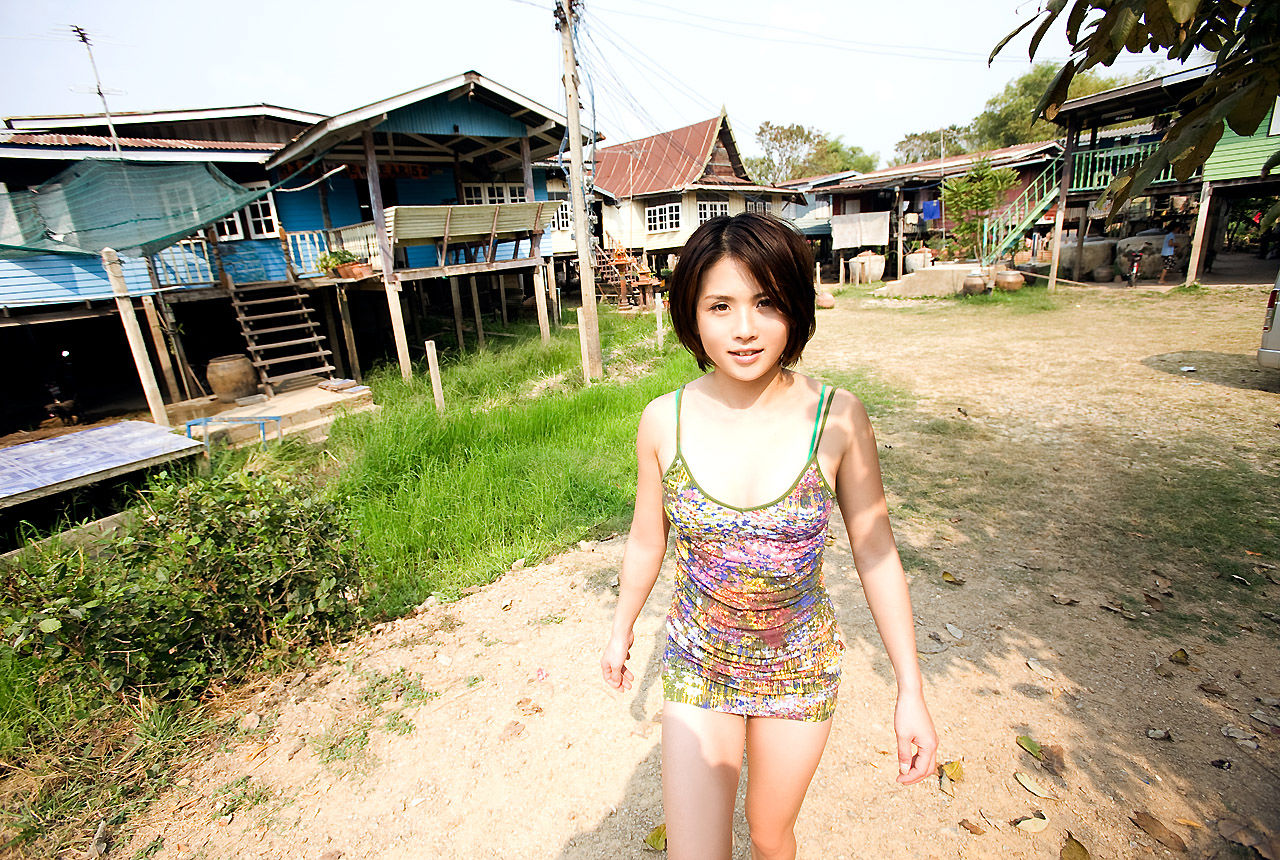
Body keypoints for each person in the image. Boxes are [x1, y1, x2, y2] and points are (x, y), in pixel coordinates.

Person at [600, 212, 938, 860]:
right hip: (700, 663)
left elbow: (875, 551)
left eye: (765, 302)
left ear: (796, 308)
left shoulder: (838, 418)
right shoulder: (662, 421)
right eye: (720, 305)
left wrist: (910, 691)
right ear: (690, 315)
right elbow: (648, 541)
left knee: (769, 835)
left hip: (798, 669)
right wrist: (621, 631)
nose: (745, 328)